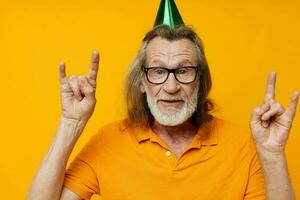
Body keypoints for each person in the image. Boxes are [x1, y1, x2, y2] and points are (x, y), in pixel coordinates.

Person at [27, 1, 298, 200]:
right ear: (142, 82)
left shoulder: (241, 145)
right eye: (158, 71)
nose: (171, 86)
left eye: (183, 71)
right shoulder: (108, 142)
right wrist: (70, 123)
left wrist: (272, 155)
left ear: (200, 81)